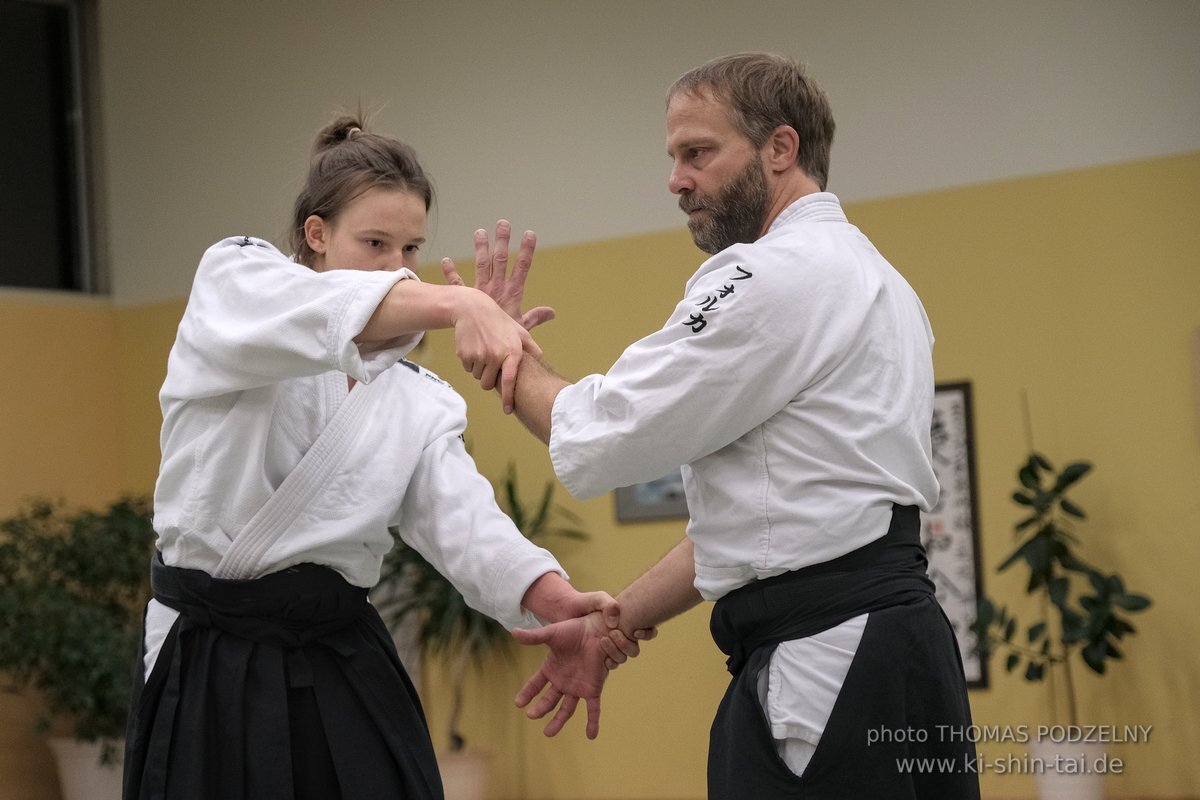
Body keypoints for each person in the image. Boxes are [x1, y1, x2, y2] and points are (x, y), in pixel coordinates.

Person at [457, 53, 981, 798]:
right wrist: (617, 623)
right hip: (890, 651)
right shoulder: (879, 281)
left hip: (827, 664)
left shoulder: (772, 273)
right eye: (673, 158)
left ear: (780, 148)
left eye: (697, 153)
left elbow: (604, 435)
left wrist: (508, 353)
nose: (676, 180)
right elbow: (765, 524)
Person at [122, 115, 636, 800]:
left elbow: (465, 524)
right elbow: (330, 309)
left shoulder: (417, 399)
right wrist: (458, 304)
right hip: (213, 656)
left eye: (412, 248)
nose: (397, 265)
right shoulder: (236, 285)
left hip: (342, 656)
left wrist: (558, 602)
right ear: (316, 234)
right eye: (374, 243)